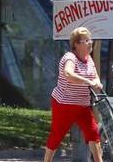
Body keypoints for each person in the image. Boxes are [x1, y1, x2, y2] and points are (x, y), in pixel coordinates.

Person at [43, 27, 103, 162]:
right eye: (86, 40)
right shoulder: (70, 57)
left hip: (82, 106)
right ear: (76, 44)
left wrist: (98, 83)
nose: (90, 43)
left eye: (90, 40)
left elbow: (96, 77)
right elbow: (69, 74)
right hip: (64, 105)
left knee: (93, 134)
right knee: (57, 135)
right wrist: (88, 81)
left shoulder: (89, 60)